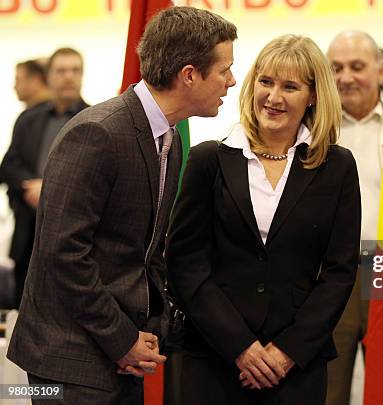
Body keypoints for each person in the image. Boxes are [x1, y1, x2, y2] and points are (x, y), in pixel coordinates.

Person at [7, 7, 237, 404]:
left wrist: (148, 331)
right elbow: (61, 255)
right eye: (224, 70)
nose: (232, 82)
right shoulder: (97, 133)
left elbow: (146, 253)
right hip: (71, 359)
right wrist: (122, 338)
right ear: (189, 74)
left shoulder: (170, 138)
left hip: (119, 353)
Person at [166, 34, 361, 405]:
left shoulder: (337, 166)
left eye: (290, 86)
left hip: (297, 367)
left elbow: (339, 272)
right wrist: (241, 348)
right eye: (265, 82)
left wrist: (286, 353)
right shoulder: (209, 160)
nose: (273, 97)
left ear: (314, 95)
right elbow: (185, 265)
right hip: (215, 360)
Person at [326, 30, 383, 405]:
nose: (346, 77)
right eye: (336, 68)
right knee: (328, 387)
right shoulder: (314, 129)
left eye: (357, 67)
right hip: (334, 272)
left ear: (382, 71)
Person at [0, 48, 88, 309]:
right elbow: (10, 165)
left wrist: (48, 189)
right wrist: (30, 186)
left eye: (75, 70)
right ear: (48, 77)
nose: (69, 77)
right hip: (28, 232)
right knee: (22, 309)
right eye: (61, 71)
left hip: (74, 239)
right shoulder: (28, 119)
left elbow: (92, 177)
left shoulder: (96, 119)